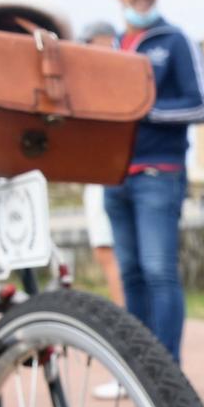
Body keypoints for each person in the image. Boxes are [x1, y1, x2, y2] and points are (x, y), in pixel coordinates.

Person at [97, 0, 204, 396]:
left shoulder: (175, 41)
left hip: (158, 173)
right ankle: (134, 372)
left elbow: (201, 105)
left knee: (159, 271)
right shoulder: (108, 44)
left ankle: (166, 375)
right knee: (130, 275)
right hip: (113, 174)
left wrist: (143, 110)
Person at [76, 20, 125, 305]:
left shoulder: (97, 80)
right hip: (106, 171)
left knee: (109, 254)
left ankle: (129, 318)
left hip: (106, 172)